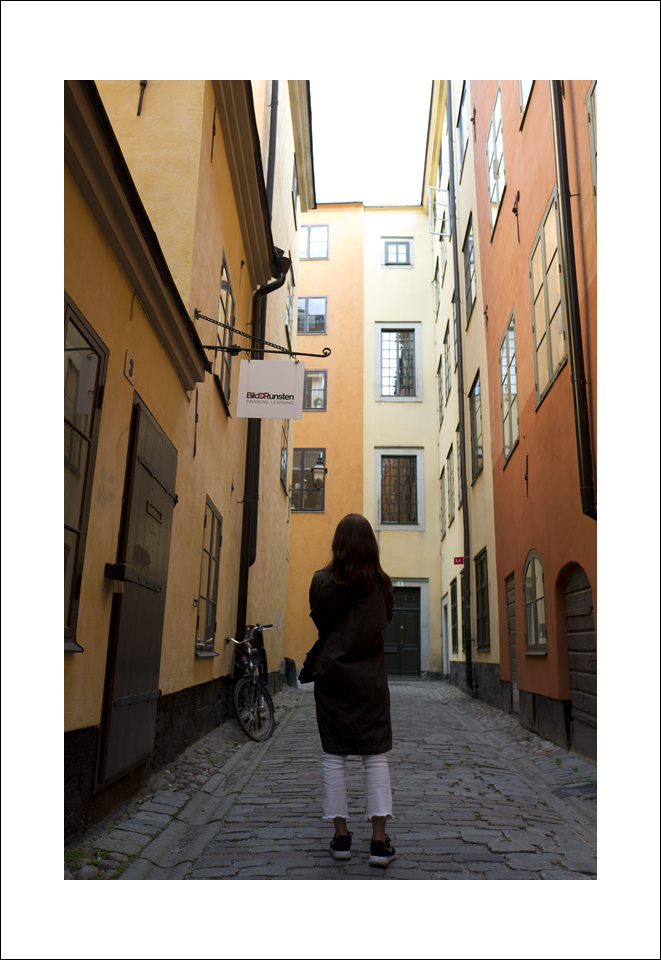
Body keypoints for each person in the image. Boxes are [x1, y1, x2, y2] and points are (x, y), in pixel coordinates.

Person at [308, 513, 396, 868]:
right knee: (375, 756)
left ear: (338, 545)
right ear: (370, 546)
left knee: (334, 756)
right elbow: (383, 621)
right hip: (370, 679)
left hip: (332, 676)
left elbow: (320, 620)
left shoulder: (321, 582)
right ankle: (378, 843)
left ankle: (341, 838)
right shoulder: (382, 586)